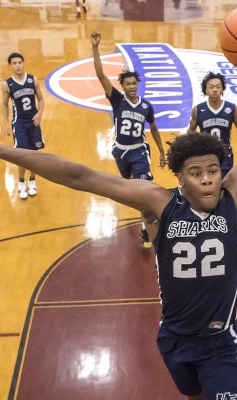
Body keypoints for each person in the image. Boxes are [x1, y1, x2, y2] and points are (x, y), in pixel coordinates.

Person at [0, 63, 237, 400]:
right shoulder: (157, 203)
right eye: (196, 172)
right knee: (193, 396)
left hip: (223, 339)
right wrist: (0, 150)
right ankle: (214, 388)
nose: (207, 179)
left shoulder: (234, 198)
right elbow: (81, 176)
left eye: (212, 170)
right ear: (179, 177)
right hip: (174, 337)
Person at [90, 30, 166, 248]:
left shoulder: (146, 106)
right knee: (129, 189)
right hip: (120, 151)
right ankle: (144, 214)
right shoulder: (117, 100)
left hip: (140, 150)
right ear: (122, 86)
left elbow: (154, 128)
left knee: (143, 188)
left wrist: (161, 152)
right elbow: (101, 76)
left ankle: (146, 228)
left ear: (138, 84)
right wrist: (95, 48)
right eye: (128, 84)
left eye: (134, 83)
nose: (131, 86)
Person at [2, 52, 45, 200]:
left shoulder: (33, 79)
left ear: (23, 63)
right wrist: (7, 123)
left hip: (33, 122)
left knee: (34, 154)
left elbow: (41, 100)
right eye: (14, 63)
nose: (18, 65)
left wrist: (39, 113)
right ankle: (21, 182)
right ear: (11, 65)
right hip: (19, 123)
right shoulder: (7, 84)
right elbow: (4, 104)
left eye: (20, 62)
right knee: (22, 154)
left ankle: (32, 181)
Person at [187, 72, 237, 177]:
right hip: (205, 155)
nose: (215, 90)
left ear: (222, 89)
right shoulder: (198, 109)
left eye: (218, 87)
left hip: (225, 154)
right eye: (211, 87)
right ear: (206, 90)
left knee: (224, 186)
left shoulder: (232, 108)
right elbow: (191, 131)